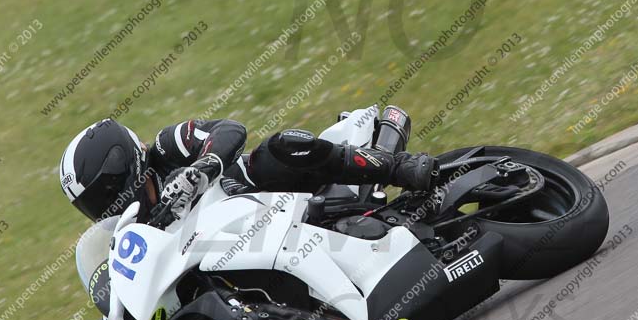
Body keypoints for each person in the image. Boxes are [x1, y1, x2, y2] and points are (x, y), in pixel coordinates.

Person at [59, 115, 436, 223]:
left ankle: (398, 168)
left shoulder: (165, 146)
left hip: (267, 189)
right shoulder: (133, 232)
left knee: (280, 147)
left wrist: (204, 167)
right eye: (91, 207)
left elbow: (230, 130)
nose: (103, 212)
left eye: (102, 198)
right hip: (239, 241)